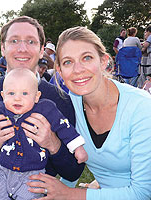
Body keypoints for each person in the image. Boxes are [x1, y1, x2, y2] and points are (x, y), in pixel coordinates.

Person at [0, 16, 84, 200]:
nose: (22, 48)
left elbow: (73, 171)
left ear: (41, 50)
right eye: (14, 41)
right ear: (3, 48)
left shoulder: (59, 99)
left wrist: (52, 143)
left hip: (35, 190)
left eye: (31, 41)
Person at [27, 26, 151, 200]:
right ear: (60, 71)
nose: (78, 69)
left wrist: (68, 194)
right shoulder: (71, 104)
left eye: (86, 58)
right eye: (68, 62)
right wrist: (58, 192)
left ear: (103, 61)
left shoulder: (141, 107)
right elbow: (77, 159)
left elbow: (143, 193)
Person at [0, 68, 87, 199]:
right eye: (11, 93)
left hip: (33, 173)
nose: (17, 98)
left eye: (24, 93)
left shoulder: (46, 109)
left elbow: (65, 127)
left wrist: (77, 147)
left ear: (36, 97)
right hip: (2, 172)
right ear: (3, 95)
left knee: (28, 196)